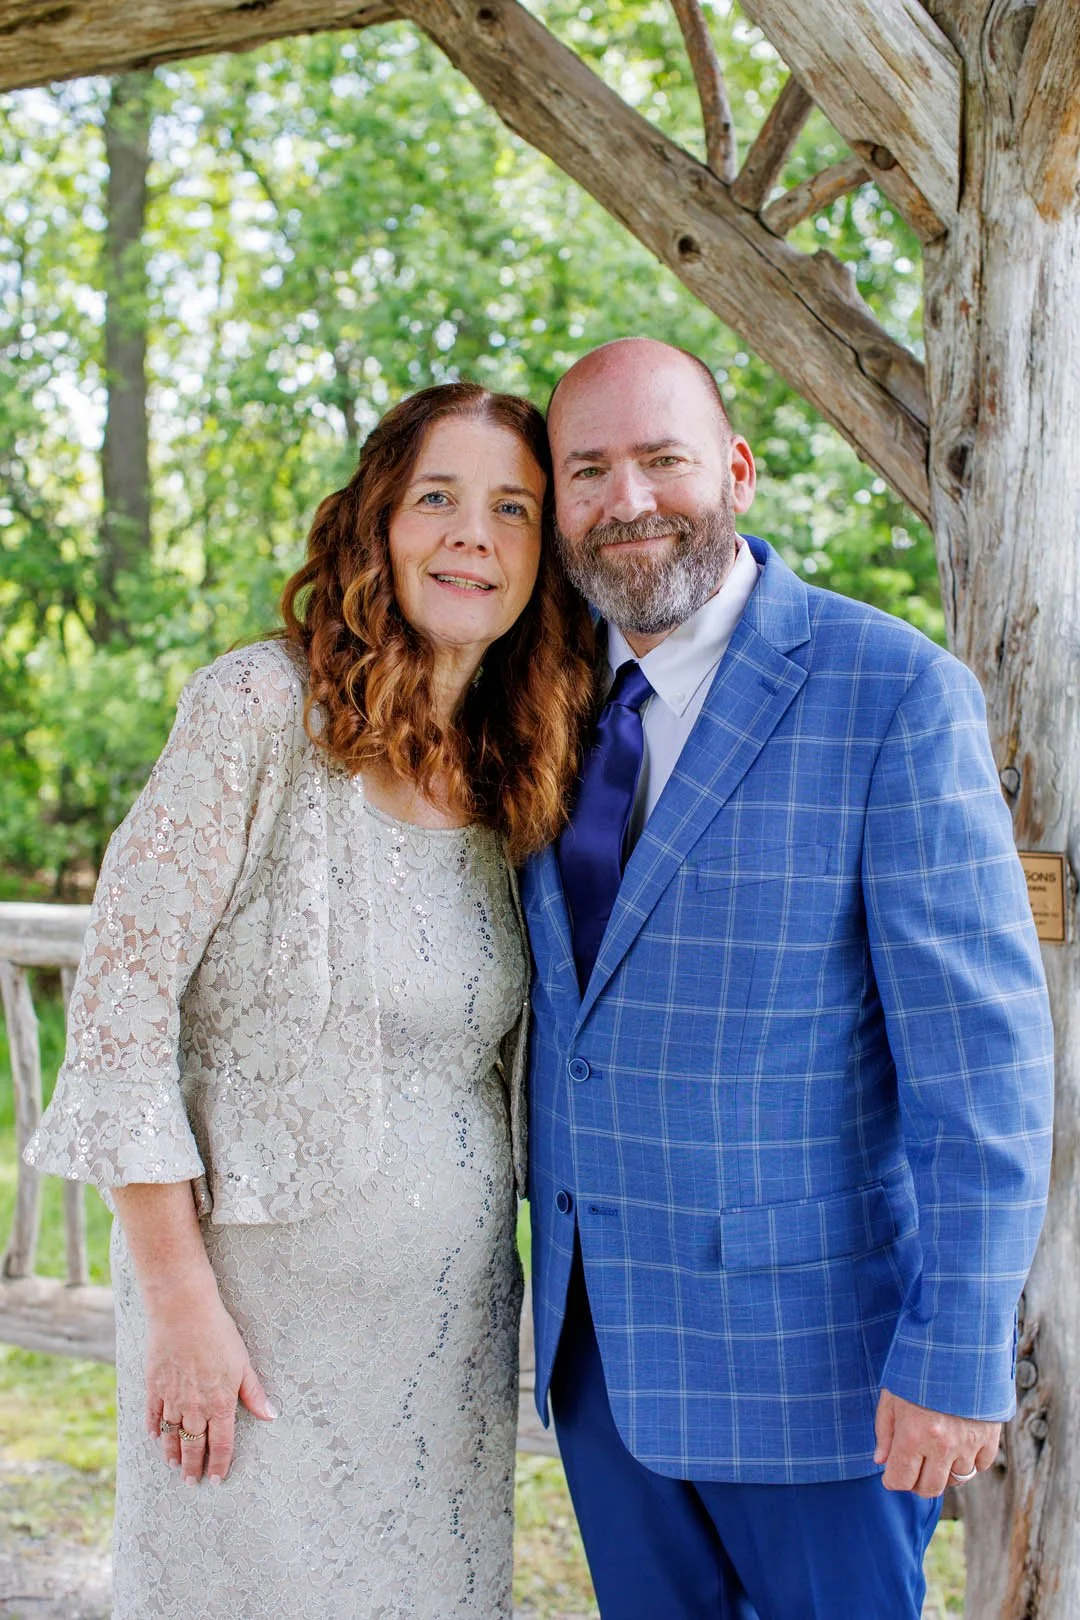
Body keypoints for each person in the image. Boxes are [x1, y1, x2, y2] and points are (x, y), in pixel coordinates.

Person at [26, 381, 595, 1620]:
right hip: (244, 1325)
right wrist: (180, 1303)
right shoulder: (256, 712)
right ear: (377, 518)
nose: (474, 535)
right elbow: (120, 1016)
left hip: (442, 1337)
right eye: (437, 498)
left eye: (513, 507)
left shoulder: (522, 759)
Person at [522, 337, 1054, 1619]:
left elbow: (984, 1069)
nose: (628, 500)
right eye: (587, 471)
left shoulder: (893, 693)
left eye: (663, 459)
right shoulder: (541, 693)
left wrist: (957, 1353)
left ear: (739, 471)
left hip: (818, 1376)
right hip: (599, 1353)